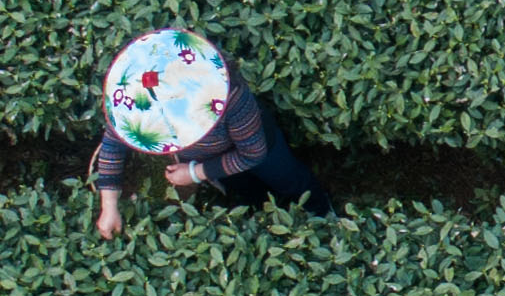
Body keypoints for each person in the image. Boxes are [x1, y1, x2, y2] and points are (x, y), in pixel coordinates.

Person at [89, 26, 329, 232]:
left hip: (261, 148)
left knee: (289, 180)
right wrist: (109, 206)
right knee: (245, 190)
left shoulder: (232, 96)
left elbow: (253, 153)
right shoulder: (131, 101)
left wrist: (195, 173)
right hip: (212, 161)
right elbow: (113, 143)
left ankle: (323, 215)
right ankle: (262, 212)